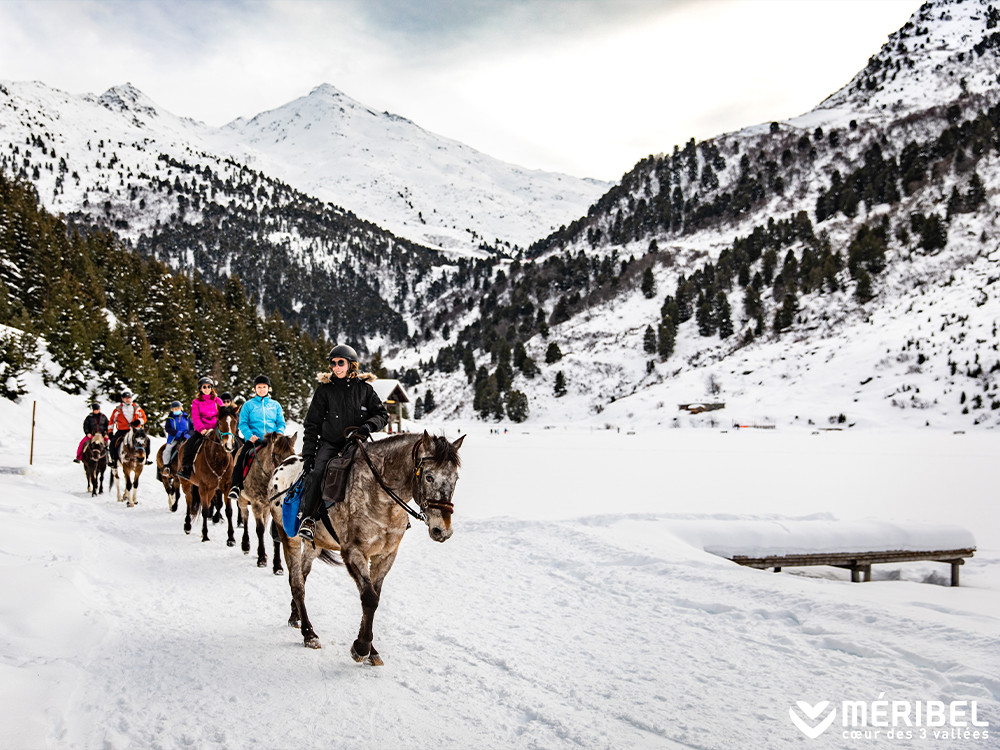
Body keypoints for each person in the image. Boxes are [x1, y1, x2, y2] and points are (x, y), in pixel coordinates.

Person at [297, 345, 388, 541]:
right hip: (329, 443)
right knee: (317, 472)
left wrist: (367, 427)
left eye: (341, 363)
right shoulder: (324, 390)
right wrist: (308, 455)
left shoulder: (365, 389)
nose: (336, 367)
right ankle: (308, 520)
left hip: (357, 443)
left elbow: (382, 415)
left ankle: (389, 515)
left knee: (376, 470)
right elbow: (311, 424)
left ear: (351, 365)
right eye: (333, 363)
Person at [227, 375, 286, 502]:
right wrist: (249, 436)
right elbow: (242, 423)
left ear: (268, 388)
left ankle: (289, 485)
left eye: (264, 387)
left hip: (273, 440)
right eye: (259, 387)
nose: (262, 389)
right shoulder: (248, 405)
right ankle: (236, 486)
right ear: (255, 389)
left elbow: (281, 423)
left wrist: (279, 434)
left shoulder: (275, 405)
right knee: (242, 456)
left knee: (286, 456)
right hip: (255, 439)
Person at [177, 376, 225, 480]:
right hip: (202, 431)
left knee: (230, 444)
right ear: (200, 389)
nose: (207, 389)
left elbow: (223, 415)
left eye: (209, 387)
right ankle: (186, 469)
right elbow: (196, 417)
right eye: (204, 387)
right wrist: (202, 429)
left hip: (216, 430)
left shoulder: (218, 401)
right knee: (189, 445)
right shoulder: (196, 402)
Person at [108, 390, 149, 467]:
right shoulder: (117, 409)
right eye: (125, 398)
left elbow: (144, 418)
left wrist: (139, 421)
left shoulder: (137, 408)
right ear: (122, 399)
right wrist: (110, 432)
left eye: (129, 398)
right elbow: (112, 421)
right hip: (122, 430)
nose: (127, 399)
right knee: (113, 442)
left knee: (147, 440)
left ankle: (146, 458)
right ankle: (114, 459)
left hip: (135, 430)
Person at [160, 400, 193, 477]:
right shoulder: (170, 418)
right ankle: (166, 467)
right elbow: (167, 428)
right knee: (167, 450)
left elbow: (192, 428)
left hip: (186, 438)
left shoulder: (187, 417)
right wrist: (178, 433)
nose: (176, 410)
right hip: (174, 438)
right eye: (174, 409)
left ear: (181, 408)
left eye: (177, 408)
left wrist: (187, 435)